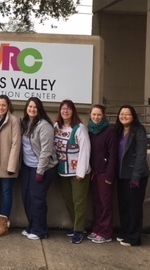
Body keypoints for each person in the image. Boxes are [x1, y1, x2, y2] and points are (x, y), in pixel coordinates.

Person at [19, 97, 58, 240]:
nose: (32, 109)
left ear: (39, 109)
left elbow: (46, 151)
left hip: (43, 168)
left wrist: (40, 171)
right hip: (27, 167)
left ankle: (40, 230)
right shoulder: (25, 123)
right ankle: (32, 226)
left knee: (37, 199)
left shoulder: (45, 126)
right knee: (27, 197)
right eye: (30, 106)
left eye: (35, 107)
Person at [54, 99, 91, 244]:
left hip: (78, 172)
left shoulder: (79, 128)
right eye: (63, 108)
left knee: (79, 201)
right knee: (69, 200)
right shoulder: (57, 126)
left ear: (73, 111)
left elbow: (85, 150)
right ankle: (76, 225)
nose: (65, 111)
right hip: (63, 170)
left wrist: (81, 172)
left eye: (68, 109)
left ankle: (79, 230)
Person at [0, 95, 21, 238]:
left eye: (3, 105)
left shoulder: (13, 121)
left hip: (7, 165)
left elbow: (16, 144)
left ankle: (3, 225)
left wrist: (11, 166)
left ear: (8, 106)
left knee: (6, 193)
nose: (1, 108)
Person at [115, 104, 150, 247]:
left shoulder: (138, 131)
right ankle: (126, 232)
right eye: (121, 114)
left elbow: (141, 155)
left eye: (127, 114)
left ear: (133, 116)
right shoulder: (119, 131)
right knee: (124, 205)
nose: (124, 116)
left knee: (134, 207)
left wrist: (136, 176)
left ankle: (134, 237)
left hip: (135, 176)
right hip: (122, 174)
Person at [87, 104, 117, 244]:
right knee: (97, 202)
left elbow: (113, 155)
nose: (96, 117)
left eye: (99, 114)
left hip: (105, 173)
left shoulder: (110, 131)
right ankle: (97, 229)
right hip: (94, 172)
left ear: (103, 116)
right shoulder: (90, 130)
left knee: (105, 204)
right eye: (94, 114)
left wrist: (109, 176)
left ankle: (105, 233)